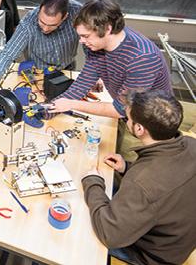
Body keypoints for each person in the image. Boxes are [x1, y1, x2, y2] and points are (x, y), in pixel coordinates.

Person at [82, 90, 196, 265]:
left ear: (139, 129)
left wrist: (92, 181)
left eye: (127, 119)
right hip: (176, 240)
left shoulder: (143, 183)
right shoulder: (190, 143)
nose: (126, 121)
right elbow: (169, 182)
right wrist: (127, 167)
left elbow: (109, 234)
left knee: (76, 224)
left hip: (148, 255)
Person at [49, 0, 172, 119]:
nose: (81, 41)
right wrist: (46, 111)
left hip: (156, 120)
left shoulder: (142, 58)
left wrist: (72, 104)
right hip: (130, 114)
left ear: (108, 28)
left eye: (85, 36)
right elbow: (81, 86)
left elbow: (120, 110)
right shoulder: (97, 45)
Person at [0, 0, 82, 104]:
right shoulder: (29, 22)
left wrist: (96, 73)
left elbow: (91, 41)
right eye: (42, 22)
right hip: (39, 73)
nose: (46, 28)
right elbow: (7, 53)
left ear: (65, 17)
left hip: (67, 70)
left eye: (53, 25)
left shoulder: (78, 12)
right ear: (39, 11)